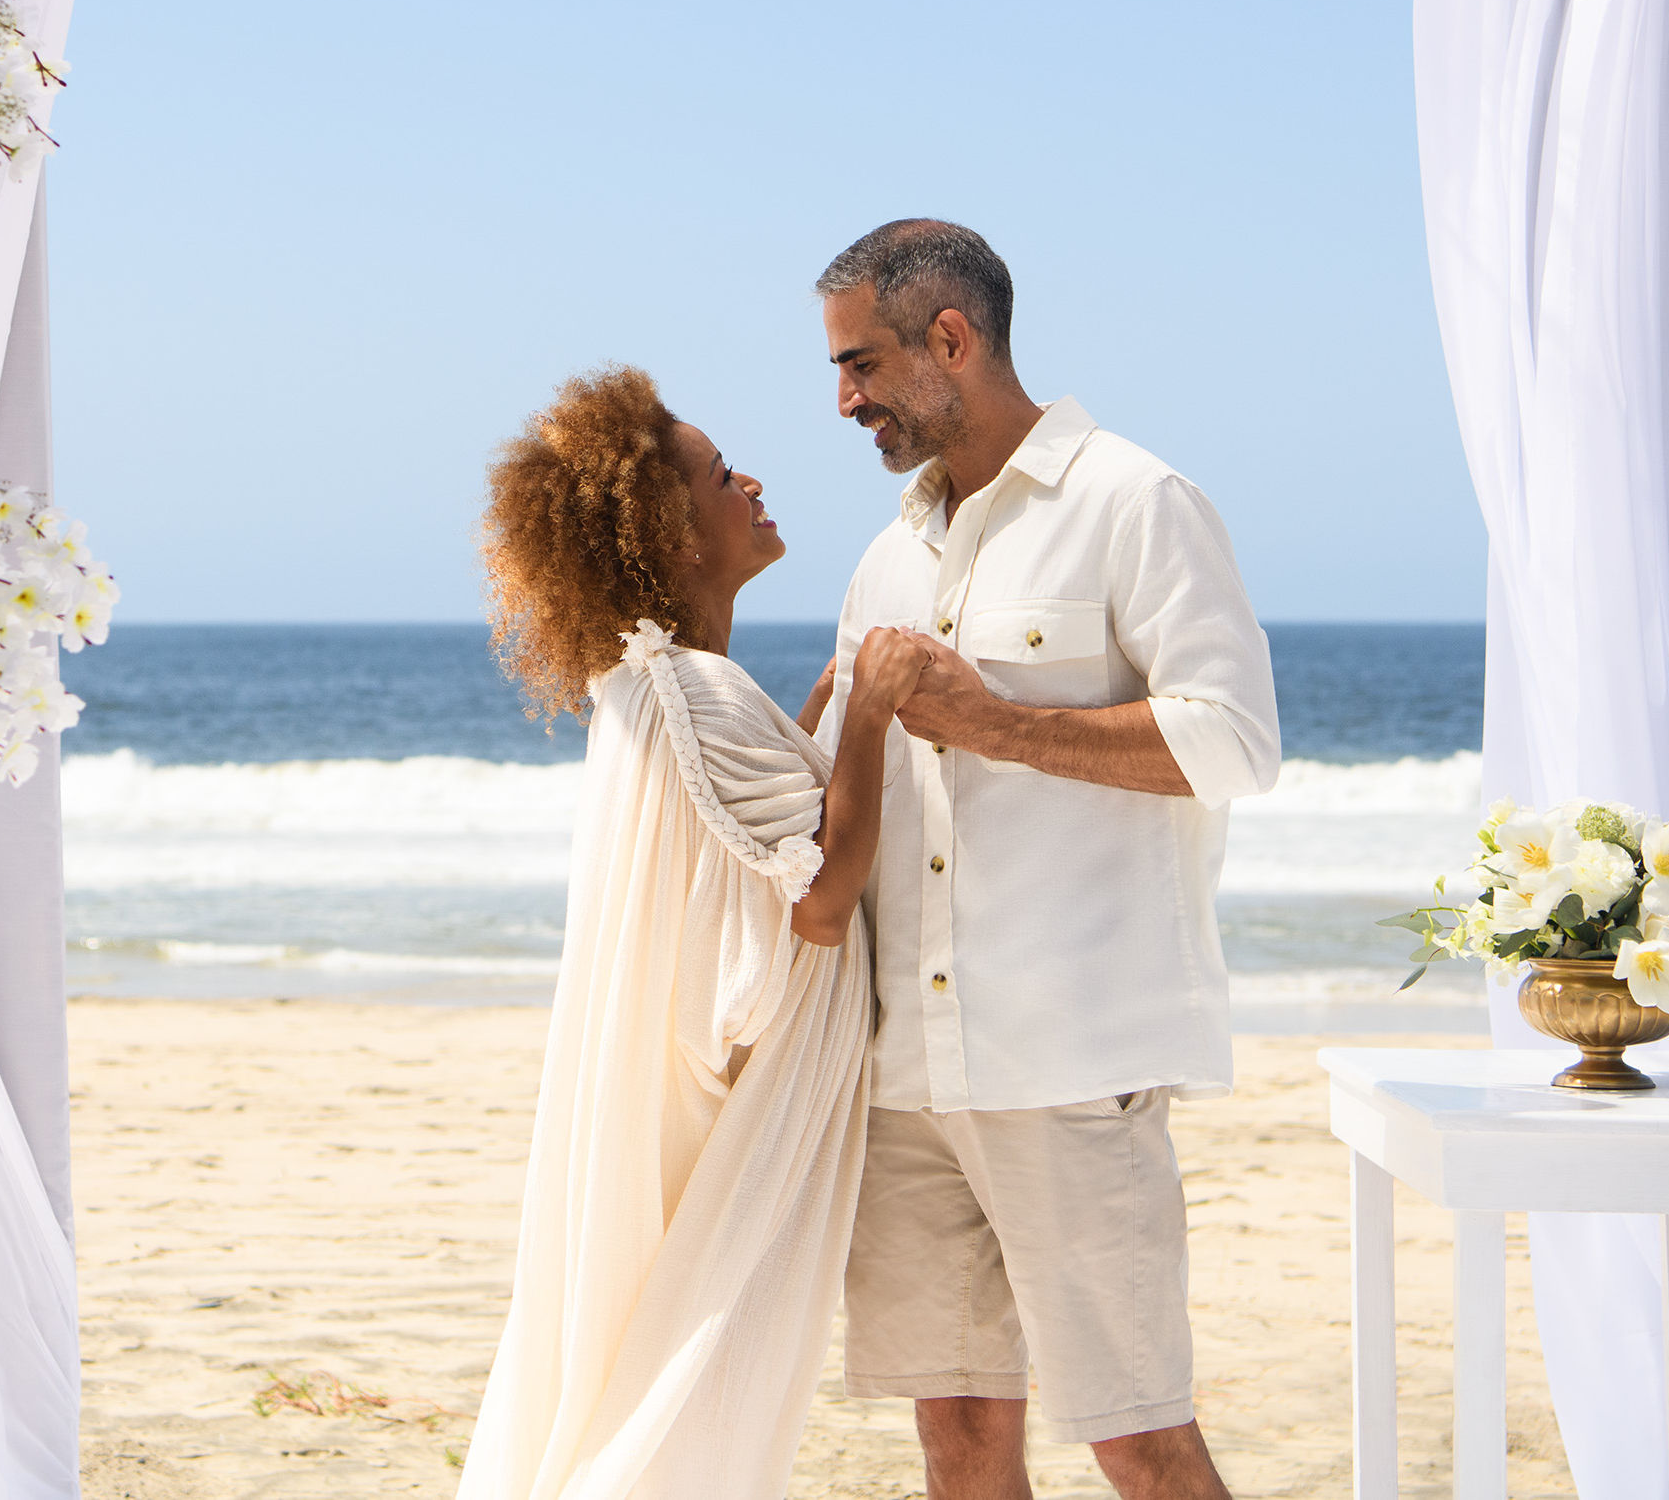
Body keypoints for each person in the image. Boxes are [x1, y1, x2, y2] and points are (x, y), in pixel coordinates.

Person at [811, 219, 1282, 1500]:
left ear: (949, 337)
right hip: (910, 1075)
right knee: (957, 1440)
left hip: (1071, 1067)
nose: (842, 398)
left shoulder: (1137, 501)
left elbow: (1234, 742)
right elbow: (854, 788)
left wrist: (996, 721)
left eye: (859, 363)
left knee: (1139, 1437)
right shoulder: (886, 556)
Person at [456, 364, 929, 1500]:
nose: (751, 481)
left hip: (749, 1099)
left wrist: (817, 722)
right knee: (711, 1391)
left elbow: (732, 854)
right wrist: (870, 708)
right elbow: (816, 898)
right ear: (666, 524)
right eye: (722, 475)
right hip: (770, 1119)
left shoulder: (655, 685)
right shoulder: (695, 688)